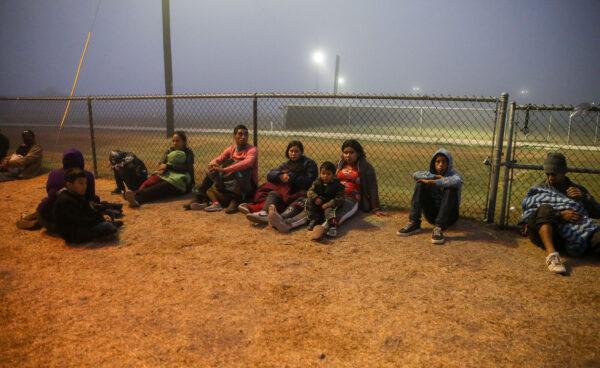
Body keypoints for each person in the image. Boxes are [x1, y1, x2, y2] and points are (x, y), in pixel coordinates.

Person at [268, 139, 384, 240]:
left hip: (350, 198)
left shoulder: (366, 167)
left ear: (358, 153)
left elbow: (373, 187)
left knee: (336, 211)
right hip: (330, 194)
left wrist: (376, 207)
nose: (348, 155)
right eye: (345, 152)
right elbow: (323, 178)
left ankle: (323, 228)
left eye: (351, 153)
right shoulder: (338, 165)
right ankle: (287, 224)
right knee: (310, 206)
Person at [520, 152, 600, 274]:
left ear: (564, 171)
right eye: (548, 174)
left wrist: (585, 198)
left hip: (577, 234)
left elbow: (597, 212)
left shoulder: (577, 189)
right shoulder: (539, 188)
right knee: (545, 208)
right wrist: (560, 215)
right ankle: (552, 256)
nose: (550, 177)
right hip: (548, 234)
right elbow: (530, 214)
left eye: (554, 174)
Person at [185, 124, 258, 213]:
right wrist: (212, 164)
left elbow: (247, 163)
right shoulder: (232, 149)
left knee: (240, 167)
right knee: (212, 171)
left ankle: (236, 200)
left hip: (248, 184)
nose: (243, 136)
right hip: (231, 182)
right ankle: (199, 197)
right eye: (240, 134)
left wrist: (224, 170)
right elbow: (219, 158)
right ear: (234, 136)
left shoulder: (252, 149)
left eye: (246, 134)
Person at [396, 148, 463, 244]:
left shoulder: (454, 175)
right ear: (433, 163)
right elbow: (415, 175)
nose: (440, 165)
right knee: (420, 183)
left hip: (449, 217)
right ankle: (414, 222)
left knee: (450, 188)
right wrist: (435, 176)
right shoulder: (430, 173)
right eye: (438, 162)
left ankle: (439, 228)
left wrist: (433, 182)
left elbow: (456, 181)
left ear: (449, 163)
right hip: (431, 215)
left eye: (444, 162)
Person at [244, 140, 317, 224]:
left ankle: (278, 218)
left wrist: (291, 177)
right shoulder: (286, 165)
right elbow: (270, 175)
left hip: (298, 193)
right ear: (288, 152)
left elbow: (309, 180)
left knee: (295, 202)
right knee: (273, 193)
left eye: (296, 151)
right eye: (291, 151)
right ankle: (264, 213)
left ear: (301, 152)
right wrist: (280, 175)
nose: (293, 154)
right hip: (284, 193)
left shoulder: (309, 163)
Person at [124, 131, 194, 207]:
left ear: (184, 142)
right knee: (152, 183)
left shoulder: (188, 152)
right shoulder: (170, 150)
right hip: (168, 176)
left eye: (177, 141)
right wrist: (160, 169)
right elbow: (162, 164)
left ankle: (136, 197)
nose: (175, 143)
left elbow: (186, 168)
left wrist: (168, 166)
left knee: (159, 188)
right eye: (173, 141)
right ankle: (135, 197)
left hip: (181, 182)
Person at [54, 168, 122, 244]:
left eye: (85, 183)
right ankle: (109, 225)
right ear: (69, 185)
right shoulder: (66, 200)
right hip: (74, 234)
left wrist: (100, 216)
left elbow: (88, 210)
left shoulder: (76, 195)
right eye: (81, 183)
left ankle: (109, 223)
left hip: (82, 227)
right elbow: (82, 220)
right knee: (107, 227)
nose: (84, 186)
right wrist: (100, 219)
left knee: (108, 214)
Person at [305, 161, 345, 235]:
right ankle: (314, 219)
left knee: (329, 211)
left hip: (330, 204)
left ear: (333, 175)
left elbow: (340, 198)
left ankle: (332, 227)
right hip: (319, 202)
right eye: (323, 173)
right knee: (309, 201)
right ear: (320, 174)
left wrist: (329, 204)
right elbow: (310, 191)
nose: (325, 176)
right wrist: (315, 198)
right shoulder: (317, 182)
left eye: (328, 174)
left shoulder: (338, 185)